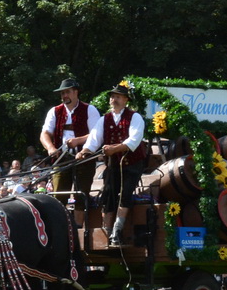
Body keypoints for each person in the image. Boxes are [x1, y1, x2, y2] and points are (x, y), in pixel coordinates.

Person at [85, 82, 147, 246]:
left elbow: (133, 141)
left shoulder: (135, 117)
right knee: (109, 195)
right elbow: (94, 140)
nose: (114, 99)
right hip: (113, 165)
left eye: (118, 97)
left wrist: (115, 148)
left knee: (125, 195)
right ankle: (107, 233)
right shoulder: (103, 120)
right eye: (112, 96)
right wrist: (83, 152)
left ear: (126, 100)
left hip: (133, 164)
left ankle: (117, 232)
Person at [40, 77, 100, 206]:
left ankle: (80, 225)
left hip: (84, 158)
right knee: (58, 196)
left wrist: (78, 141)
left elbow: (97, 134)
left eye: (67, 92)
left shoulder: (90, 110)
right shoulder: (54, 111)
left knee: (81, 196)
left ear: (76, 92)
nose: (64, 95)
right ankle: (62, 224)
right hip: (61, 159)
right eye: (62, 93)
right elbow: (44, 134)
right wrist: (50, 148)